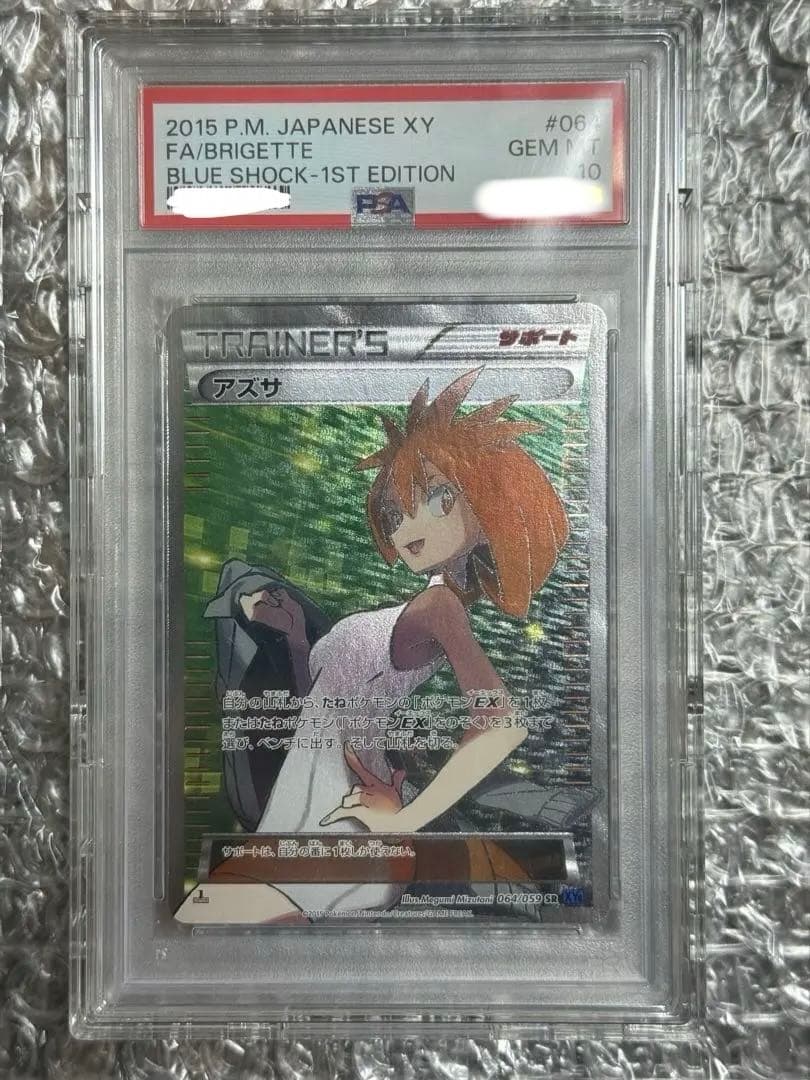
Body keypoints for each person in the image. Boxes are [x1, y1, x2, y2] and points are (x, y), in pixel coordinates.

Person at [176, 368, 589, 924]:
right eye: (395, 512)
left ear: (486, 504)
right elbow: (331, 700)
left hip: (337, 821)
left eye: (438, 498)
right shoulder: (427, 607)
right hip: (312, 805)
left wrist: (406, 820)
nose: (406, 528)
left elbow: (500, 724)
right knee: (206, 928)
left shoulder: (440, 609)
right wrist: (296, 637)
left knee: (209, 926)